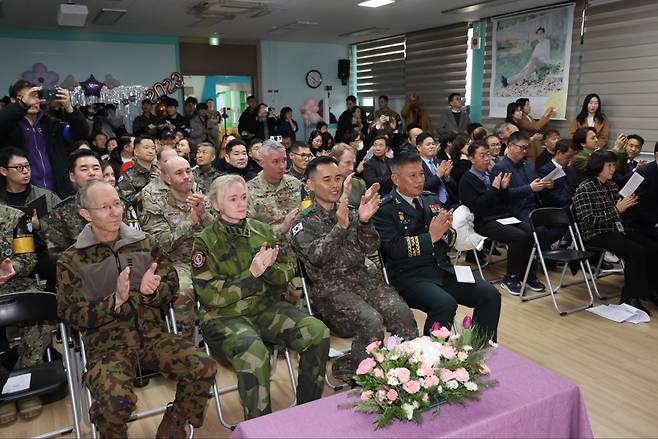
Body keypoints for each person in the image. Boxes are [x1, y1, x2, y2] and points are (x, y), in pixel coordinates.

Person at [56, 180, 217, 437]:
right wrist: (115, 301)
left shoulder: (145, 243)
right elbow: (70, 314)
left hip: (153, 337)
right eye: (104, 207)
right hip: (108, 348)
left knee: (202, 366)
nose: (115, 212)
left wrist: (153, 291)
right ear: (86, 214)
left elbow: (171, 283)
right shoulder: (72, 259)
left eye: (117, 204)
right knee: (114, 402)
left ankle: (176, 421)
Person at [192, 175, 329, 420]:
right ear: (215, 204)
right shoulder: (205, 241)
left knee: (316, 331)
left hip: (265, 308)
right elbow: (209, 295)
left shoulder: (262, 230)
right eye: (233, 199)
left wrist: (269, 270)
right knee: (252, 349)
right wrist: (253, 274)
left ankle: (309, 411)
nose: (241, 203)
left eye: (243, 197)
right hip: (223, 317)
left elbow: (288, 270)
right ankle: (260, 425)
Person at [290, 157, 417, 381]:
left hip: (362, 281)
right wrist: (340, 227)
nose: (334, 185)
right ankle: (357, 369)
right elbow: (318, 258)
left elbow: (370, 247)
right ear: (309, 185)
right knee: (371, 321)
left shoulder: (350, 210)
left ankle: (405, 370)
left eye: (338, 178)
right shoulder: (303, 222)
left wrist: (365, 221)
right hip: (329, 292)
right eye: (326, 179)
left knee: (402, 313)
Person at [373, 152, 501, 338]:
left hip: (441, 269)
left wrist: (448, 229)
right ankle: (433, 359)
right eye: (412, 176)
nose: (419, 180)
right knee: (445, 304)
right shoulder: (385, 209)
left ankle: (479, 349)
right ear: (395, 179)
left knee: (490, 294)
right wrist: (432, 236)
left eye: (422, 174)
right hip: (410, 277)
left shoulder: (430, 199)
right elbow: (393, 249)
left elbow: (448, 240)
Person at [573, 150, 656, 314]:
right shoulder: (585, 188)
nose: (613, 169)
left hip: (615, 229)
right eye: (609, 165)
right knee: (635, 252)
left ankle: (651, 290)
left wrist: (629, 205)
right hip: (595, 233)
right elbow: (589, 219)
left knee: (652, 247)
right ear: (598, 167)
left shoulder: (611, 185)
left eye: (613, 165)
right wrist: (618, 209)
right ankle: (630, 297)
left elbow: (620, 211)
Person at [459, 140, 545, 295]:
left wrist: (503, 189)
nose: (487, 159)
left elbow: (502, 201)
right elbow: (477, 207)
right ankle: (510, 277)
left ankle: (526, 273)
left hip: (502, 216)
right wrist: (494, 189)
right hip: (483, 221)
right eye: (482, 156)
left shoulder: (490, 174)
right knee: (518, 236)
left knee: (531, 230)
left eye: (488, 155)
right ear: (471, 159)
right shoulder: (467, 179)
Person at [141, 156, 213, 338]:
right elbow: (158, 244)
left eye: (188, 171)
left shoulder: (203, 198)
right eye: (179, 173)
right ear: (167, 179)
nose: (187, 176)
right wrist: (189, 223)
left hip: (210, 258)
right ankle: (186, 345)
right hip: (177, 263)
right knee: (183, 291)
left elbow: (220, 233)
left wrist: (204, 215)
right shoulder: (157, 205)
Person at [0, 205, 54, 425]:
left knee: (43, 310)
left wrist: (12, 267)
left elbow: (27, 258)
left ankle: (25, 375)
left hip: (15, 282)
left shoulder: (14, 218)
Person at [45, 149, 141, 262]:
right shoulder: (59, 212)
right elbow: (56, 257)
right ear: (72, 176)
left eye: (96, 168)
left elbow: (136, 241)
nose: (92, 173)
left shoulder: (122, 205)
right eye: (84, 169)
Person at [0, 81, 88, 198]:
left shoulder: (51, 124)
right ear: (14, 100)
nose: (33, 101)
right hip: (22, 194)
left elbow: (80, 133)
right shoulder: (9, 126)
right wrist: (22, 106)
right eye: (27, 96)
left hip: (58, 192)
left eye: (36, 96)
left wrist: (69, 107)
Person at [246, 140, 301, 241]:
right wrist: (281, 228)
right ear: (262, 162)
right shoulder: (249, 190)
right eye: (275, 161)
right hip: (267, 248)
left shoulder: (295, 184)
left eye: (284, 160)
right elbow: (248, 230)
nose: (282, 166)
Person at [416, 132, 458, 210]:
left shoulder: (440, 162)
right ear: (419, 147)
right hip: (431, 206)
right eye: (428, 144)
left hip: (450, 203)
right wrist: (437, 176)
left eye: (433, 144)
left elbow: (454, 187)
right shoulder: (417, 166)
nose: (432, 146)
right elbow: (422, 188)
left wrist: (447, 177)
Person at [537, 139, 578, 208]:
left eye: (572, 157)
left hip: (572, 205)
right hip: (556, 209)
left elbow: (573, 188)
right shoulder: (545, 170)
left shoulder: (569, 169)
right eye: (568, 157)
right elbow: (550, 196)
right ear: (559, 153)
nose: (570, 160)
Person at [117, 136, 158, 201]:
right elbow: (127, 201)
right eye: (146, 148)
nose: (150, 151)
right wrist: (150, 187)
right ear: (136, 152)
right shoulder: (127, 175)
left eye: (153, 148)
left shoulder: (159, 171)